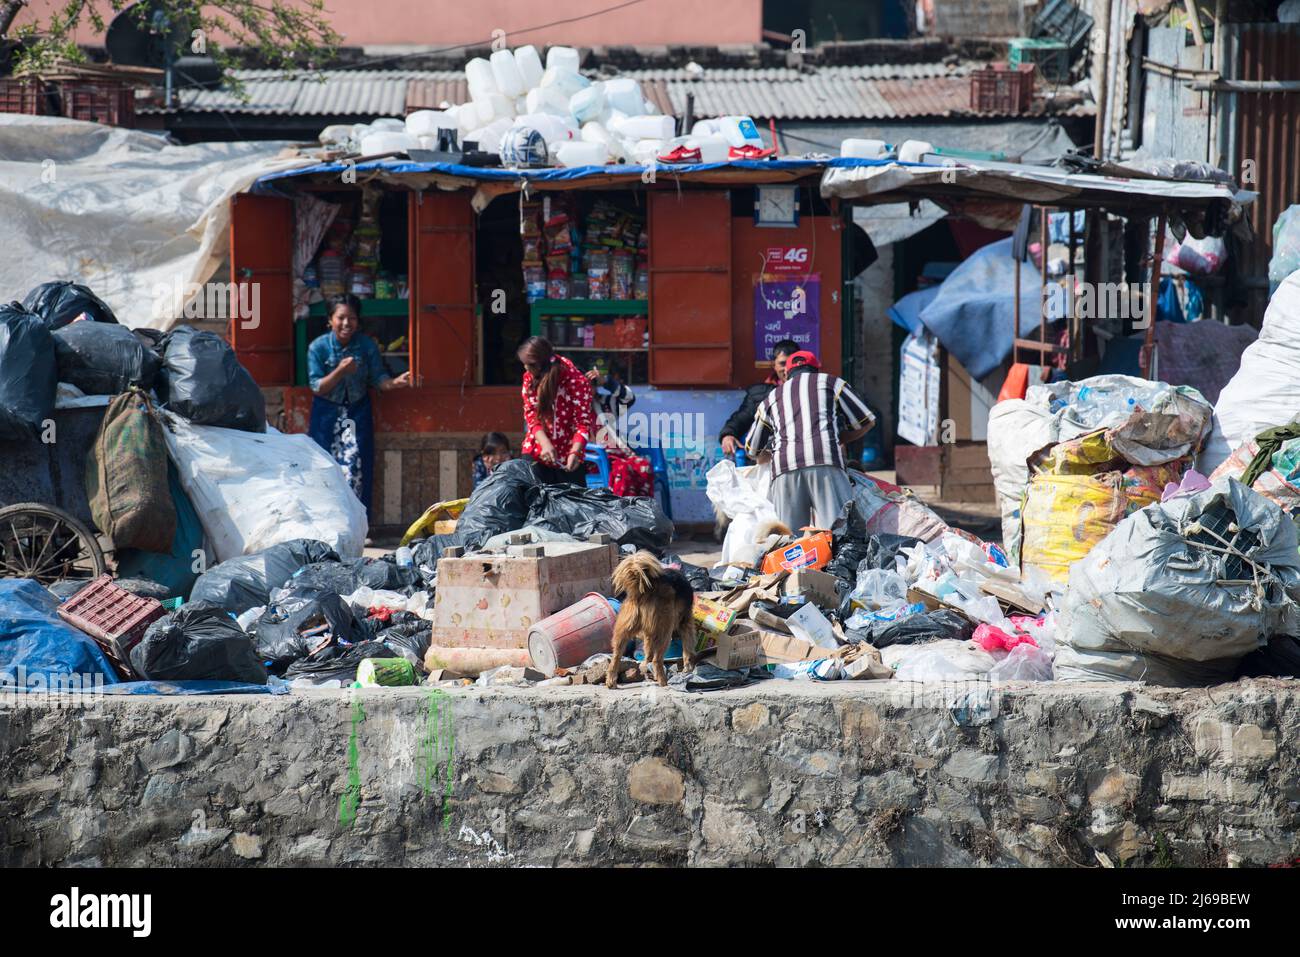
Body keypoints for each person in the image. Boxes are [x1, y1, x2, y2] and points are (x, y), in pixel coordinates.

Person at [743, 350, 875, 531]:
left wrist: (770, 452)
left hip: (784, 468)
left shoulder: (771, 397)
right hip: (825, 462)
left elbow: (752, 449)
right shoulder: (831, 382)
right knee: (840, 533)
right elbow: (867, 420)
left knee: (790, 541)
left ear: (787, 374)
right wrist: (840, 438)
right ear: (817, 370)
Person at [308, 294, 411, 513]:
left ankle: (360, 525)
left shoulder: (366, 345)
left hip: (357, 411)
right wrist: (340, 371)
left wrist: (395, 383)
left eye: (352, 318)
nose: (346, 323)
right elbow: (317, 386)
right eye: (341, 318)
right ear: (330, 320)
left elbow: (378, 378)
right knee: (324, 466)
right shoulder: (318, 348)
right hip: (326, 414)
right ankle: (326, 520)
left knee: (358, 467)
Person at [518, 335, 595, 485]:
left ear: (542, 364)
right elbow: (531, 415)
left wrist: (575, 452)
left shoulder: (576, 381)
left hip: (569, 458)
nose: (526, 369)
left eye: (530, 365)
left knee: (572, 506)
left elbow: (583, 423)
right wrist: (545, 444)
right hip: (536, 451)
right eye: (525, 365)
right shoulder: (529, 377)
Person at [719, 338, 799, 457]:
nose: (786, 369)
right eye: (782, 363)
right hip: (767, 458)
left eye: (790, 364)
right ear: (774, 365)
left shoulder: (811, 392)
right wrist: (728, 435)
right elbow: (742, 417)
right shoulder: (759, 394)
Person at [586, 362, 654, 498]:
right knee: (623, 470)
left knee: (644, 466)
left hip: (617, 455)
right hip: (593, 460)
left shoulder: (604, 404)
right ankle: (621, 513)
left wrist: (605, 382)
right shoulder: (572, 409)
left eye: (591, 385)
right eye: (584, 385)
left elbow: (628, 398)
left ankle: (642, 510)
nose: (588, 390)